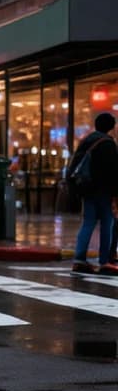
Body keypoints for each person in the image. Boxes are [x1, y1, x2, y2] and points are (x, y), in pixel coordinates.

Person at [69, 112, 118, 274]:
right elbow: (113, 171)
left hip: (87, 190)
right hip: (104, 191)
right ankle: (104, 261)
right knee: (107, 224)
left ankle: (79, 259)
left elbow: (74, 166)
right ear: (111, 127)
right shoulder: (108, 144)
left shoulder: (87, 141)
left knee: (88, 223)